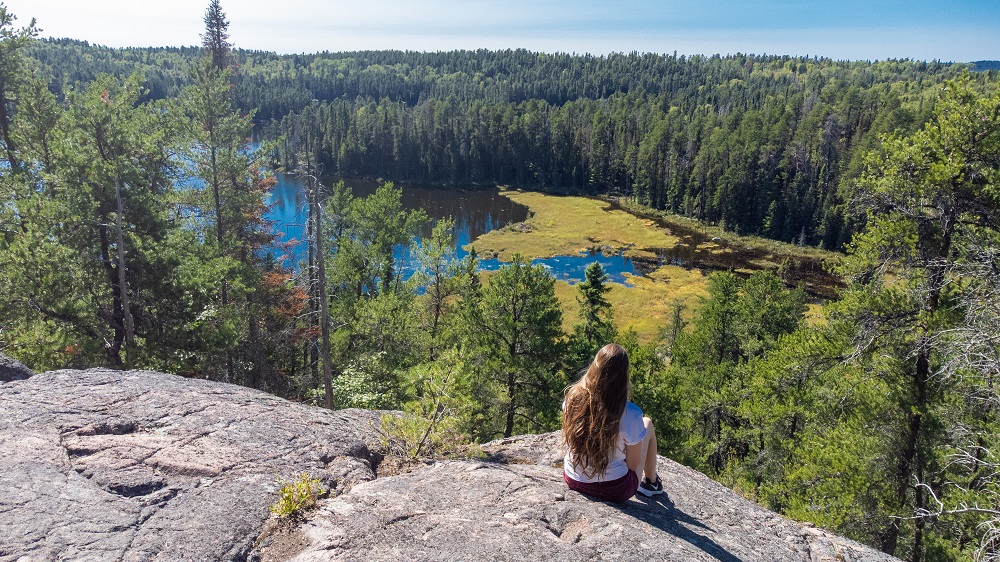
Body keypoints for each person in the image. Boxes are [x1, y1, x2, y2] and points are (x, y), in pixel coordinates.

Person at [561, 343, 663, 503]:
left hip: (574, 480)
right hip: (614, 489)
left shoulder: (572, 398)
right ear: (624, 377)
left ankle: (651, 482)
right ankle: (651, 483)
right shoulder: (631, 413)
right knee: (647, 423)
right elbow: (633, 464)